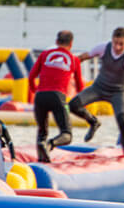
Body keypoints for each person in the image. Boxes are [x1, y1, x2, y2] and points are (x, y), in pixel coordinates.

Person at [69, 27, 124, 154]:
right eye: (115, 43)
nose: (117, 47)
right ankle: (93, 122)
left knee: (122, 120)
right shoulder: (103, 47)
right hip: (98, 88)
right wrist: (67, 65)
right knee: (72, 105)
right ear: (112, 40)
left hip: (117, 92)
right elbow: (82, 57)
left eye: (121, 44)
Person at [28, 30, 84, 162]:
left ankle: (41, 160)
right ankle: (50, 144)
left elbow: (31, 77)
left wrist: (36, 90)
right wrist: (80, 102)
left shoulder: (44, 54)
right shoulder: (74, 59)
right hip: (58, 96)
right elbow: (80, 85)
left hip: (40, 96)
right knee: (67, 134)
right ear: (71, 44)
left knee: (42, 132)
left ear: (56, 42)